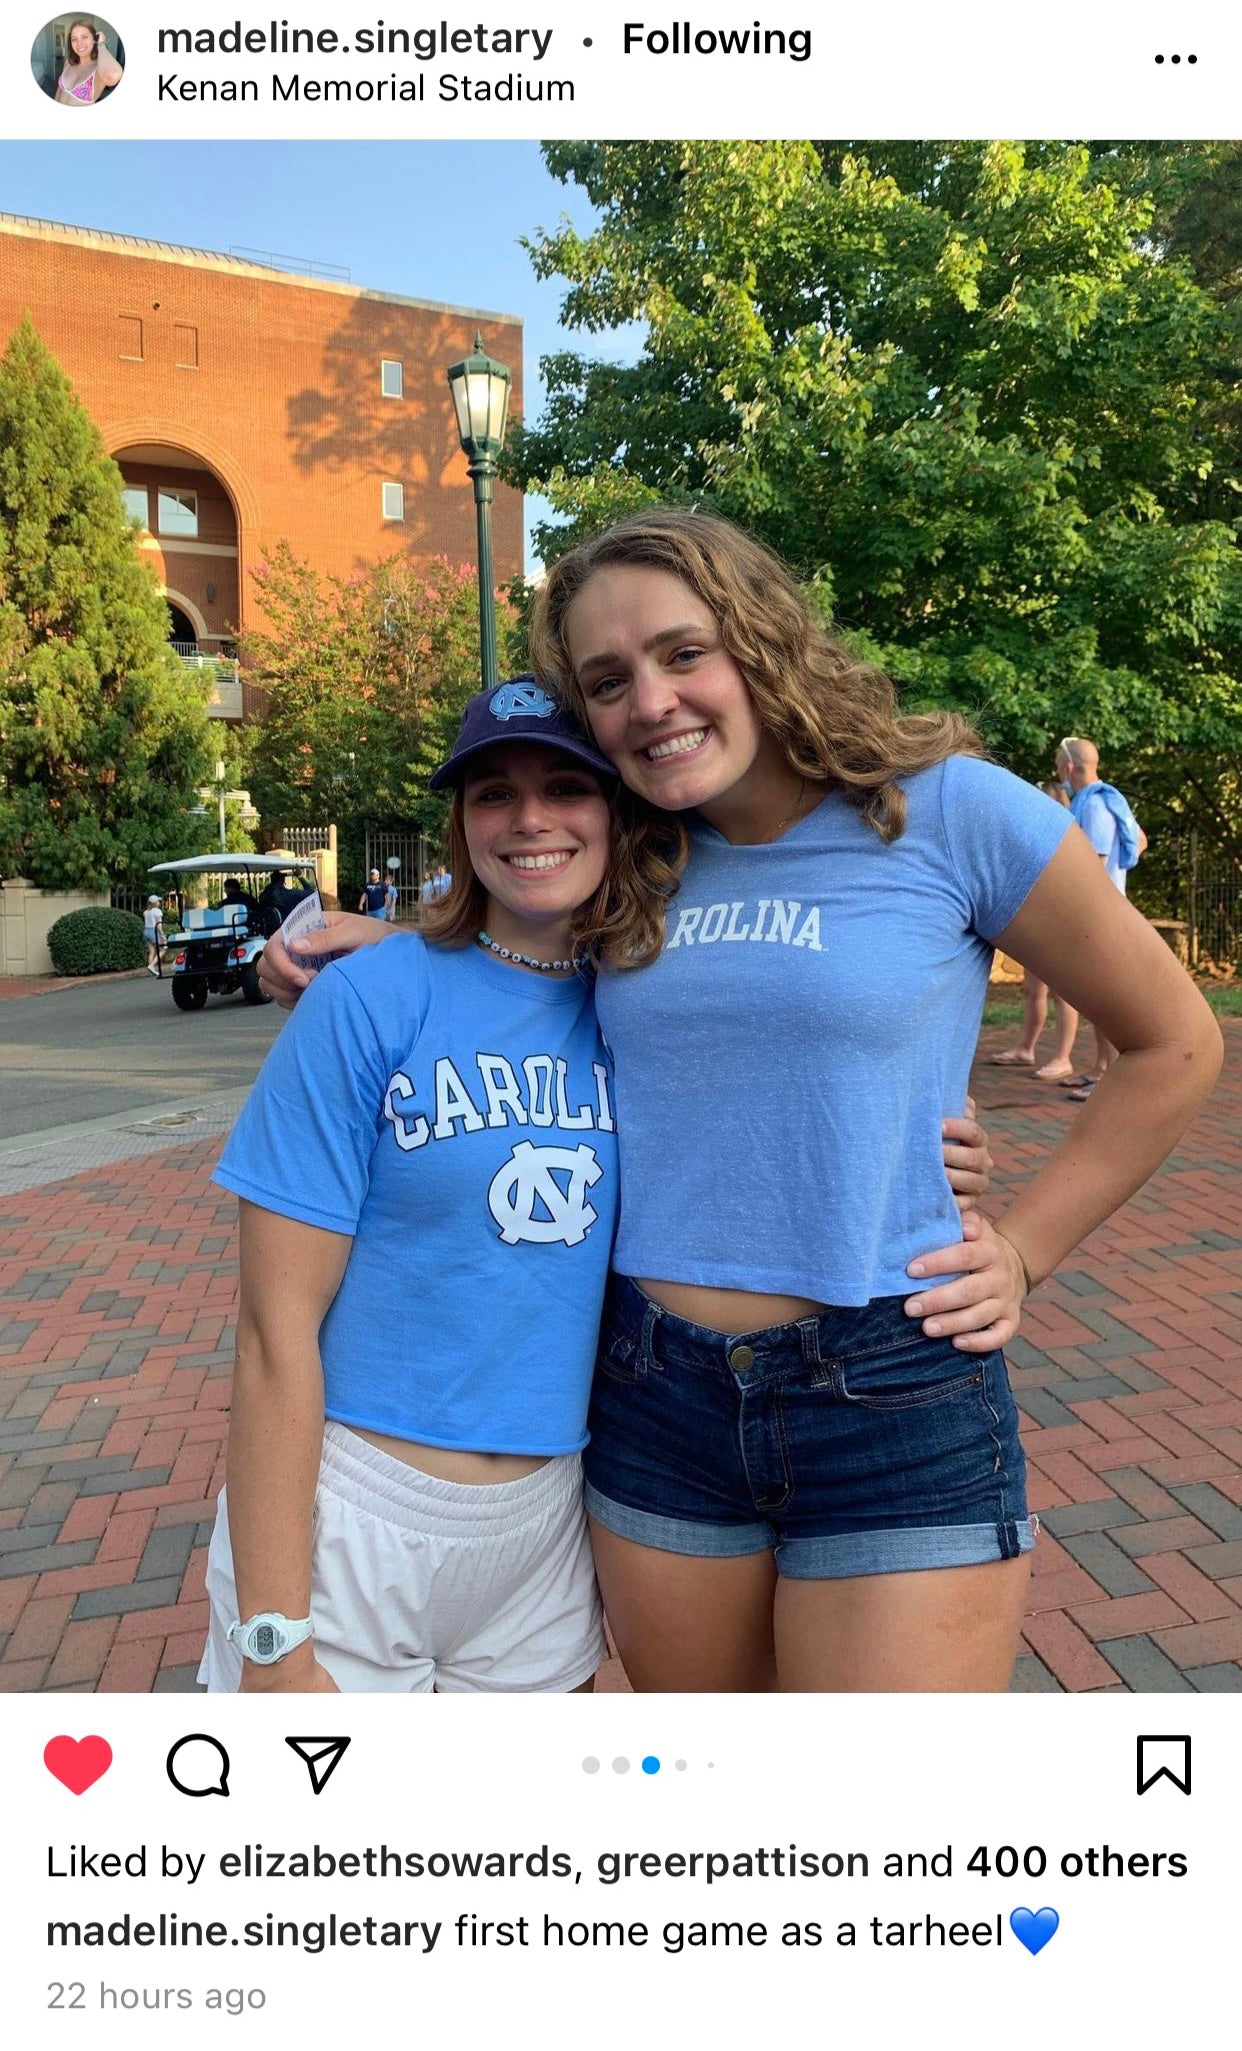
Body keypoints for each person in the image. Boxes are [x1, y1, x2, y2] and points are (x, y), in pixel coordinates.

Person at [261, 510, 1220, 1694]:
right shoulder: (638, 850)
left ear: (760, 641)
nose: (649, 700)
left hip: (892, 1379)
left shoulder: (952, 810)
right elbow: (527, 943)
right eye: (607, 680)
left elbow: (1174, 1041)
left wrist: (1022, 1252)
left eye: (681, 652)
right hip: (655, 1398)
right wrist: (392, 944)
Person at [199, 687, 624, 1693]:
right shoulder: (365, 1000)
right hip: (359, 1513)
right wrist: (272, 1633)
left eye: (567, 785)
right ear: (460, 820)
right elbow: (271, 1336)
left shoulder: (649, 1003)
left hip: (549, 1528)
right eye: (494, 792)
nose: (529, 817)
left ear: (617, 809)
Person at [1055, 737, 1149, 1101]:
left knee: (1104, 999)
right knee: (1098, 997)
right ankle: (1099, 1068)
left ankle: (1109, 1080)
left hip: (1098, 915)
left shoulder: (1093, 806)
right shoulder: (1112, 799)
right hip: (1110, 907)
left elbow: (1090, 865)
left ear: (1068, 768)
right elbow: (1140, 840)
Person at [988, 783, 1080, 1079]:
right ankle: (1025, 1048)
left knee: (1062, 993)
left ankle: (1062, 1057)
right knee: (1033, 990)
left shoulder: (1066, 838)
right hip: (1037, 922)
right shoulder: (1032, 835)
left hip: (1060, 921)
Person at [54, 20, 122, 104]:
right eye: (74, 39)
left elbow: (112, 74)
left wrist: (101, 44)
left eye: (84, 37)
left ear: (94, 39)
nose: (79, 43)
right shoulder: (68, 63)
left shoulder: (98, 70)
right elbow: (59, 91)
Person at [143, 895, 165, 977]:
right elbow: (158, 925)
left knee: (152, 951)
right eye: (158, 901)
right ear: (155, 903)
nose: (159, 903)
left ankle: (150, 969)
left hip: (146, 931)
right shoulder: (157, 911)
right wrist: (163, 935)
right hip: (153, 931)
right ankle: (152, 966)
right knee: (163, 949)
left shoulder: (146, 912)